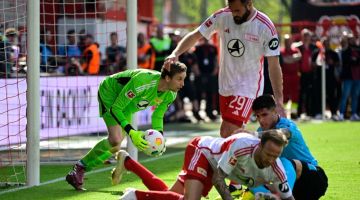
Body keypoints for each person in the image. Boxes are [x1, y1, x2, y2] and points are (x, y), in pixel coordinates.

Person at [165, 0, 285, 138]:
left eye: (237, 11)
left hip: (248, 86)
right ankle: (253, 149)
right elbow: (196, 34)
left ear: (249, 4)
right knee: (225, 133)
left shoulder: (264, 26)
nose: (234, 14)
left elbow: (274, 65)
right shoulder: (222, 16)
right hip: (226, 84)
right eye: (232, 10)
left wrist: (279, 101)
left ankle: (260, 153)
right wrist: (176, 53)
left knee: (230, 130)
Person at [65, 62, 187, 190]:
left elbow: (157, 116)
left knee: (115, 144)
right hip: (110, 92)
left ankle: (79, 170)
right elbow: (116, 108)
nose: (182, 84)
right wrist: (132, 132)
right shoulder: (143, 82)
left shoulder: (171, 94)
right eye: (179, 79)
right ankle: (79, 168)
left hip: (128, 105)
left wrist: (160, 138)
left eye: (183, 79)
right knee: (116, 139)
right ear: (167, 78)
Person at [114, 130, 295, 200]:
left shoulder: (277, 171)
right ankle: (133, 196)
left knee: (171, 196)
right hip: (202, 151)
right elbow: (218, 178)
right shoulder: (241, 148)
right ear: (259, 145)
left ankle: (128, 162)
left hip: (216, 164)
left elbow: (288, 199)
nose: (271, 159)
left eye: (276, 156)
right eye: (268, 154)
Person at [251, 94, 328, 199]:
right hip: (290, 184)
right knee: (252, 173)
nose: (261, 120)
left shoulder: (287, 125)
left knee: (283, 161)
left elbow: (281, 133)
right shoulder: (261, 131)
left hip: (313, 178)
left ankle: (279, 195)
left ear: (275, 111)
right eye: (257, 116)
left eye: (264, 115)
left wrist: (254, 135)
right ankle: (270, 196)